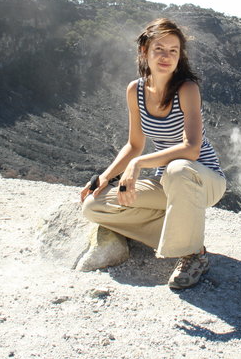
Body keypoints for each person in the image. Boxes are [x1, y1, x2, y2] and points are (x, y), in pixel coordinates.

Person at [80, 18, 226, 289]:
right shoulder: (135, 90)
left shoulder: (187, 89)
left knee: (178, 168)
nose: (166, 56)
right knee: (94, 206)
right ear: (144, 51)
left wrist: (138, 165)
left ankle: (193, 255)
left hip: (202, 180)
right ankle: (182, 235)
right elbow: (134, 144)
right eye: (159, 48)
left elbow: (191, 149)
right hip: (166, 183)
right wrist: (105, 177)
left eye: (173, 50)